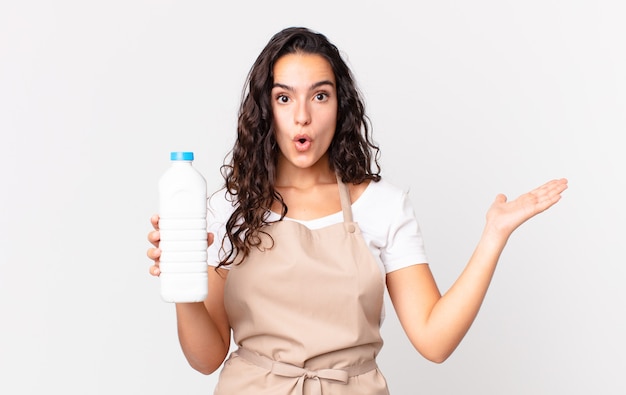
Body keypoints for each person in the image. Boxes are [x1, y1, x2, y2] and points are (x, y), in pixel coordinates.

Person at [147, 26, 568, 394]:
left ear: (341, 105)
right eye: (283, 97)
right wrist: (180, 283)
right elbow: (206, 358)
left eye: (320, 95)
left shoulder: (383, 206)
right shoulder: (229, 208)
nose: (303, 117)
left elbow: (434, 340)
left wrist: (493, 236)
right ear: (265, 109)